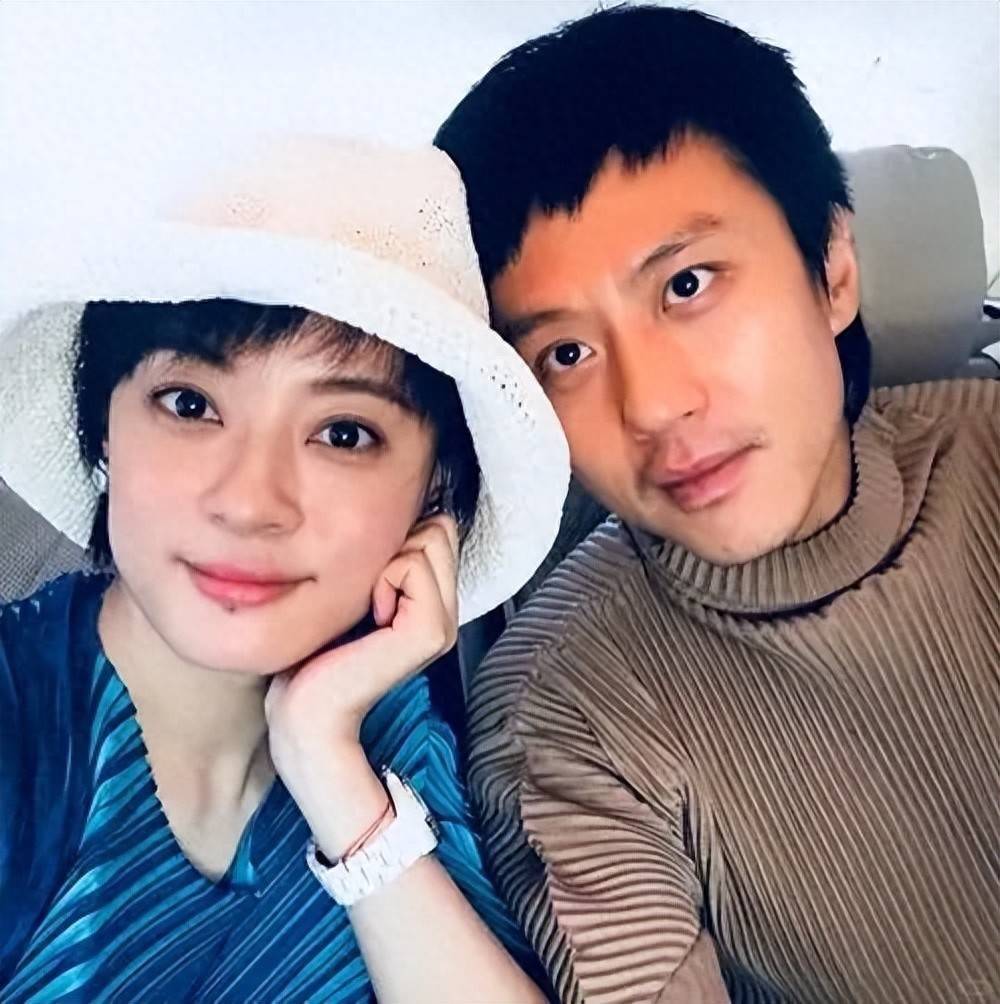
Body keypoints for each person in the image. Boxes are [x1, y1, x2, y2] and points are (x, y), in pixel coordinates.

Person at [435, 6, 999, 1002]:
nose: (652, 403)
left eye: (688, 284)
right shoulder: (564, 716)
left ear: (832, 271)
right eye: (565, 352)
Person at [0, 138, 569, 1002]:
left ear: (434, 489)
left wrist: (326, 763)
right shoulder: (24, 722)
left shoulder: (389, 731)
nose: (250, 502)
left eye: (342, 433)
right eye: (190, 404)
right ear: (103, 428)